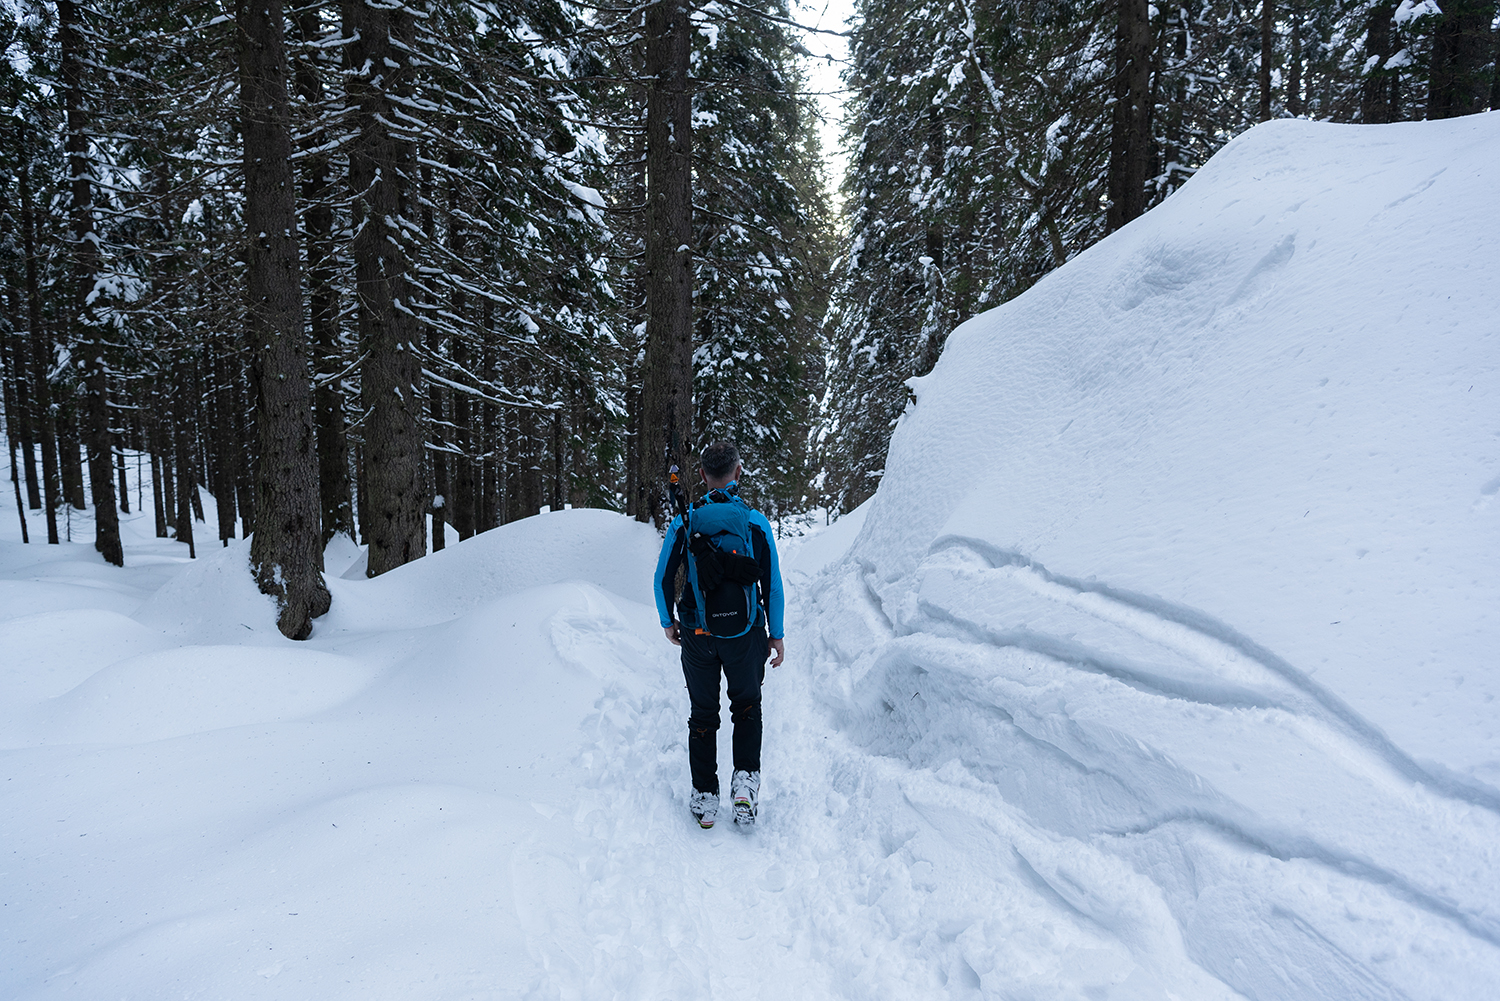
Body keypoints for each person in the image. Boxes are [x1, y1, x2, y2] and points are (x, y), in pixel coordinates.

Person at [653, 441, 785, 829]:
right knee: (746, 706)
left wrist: (668, 622)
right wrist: (774, 635)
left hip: (696, 632)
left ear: (701, 476)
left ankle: (705, 797)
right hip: (744, 634)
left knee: (703, 714)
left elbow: (663, 578)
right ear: (738, 473)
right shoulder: (754, 522)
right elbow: (772, 585)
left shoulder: (685, 521)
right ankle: (744, 785)